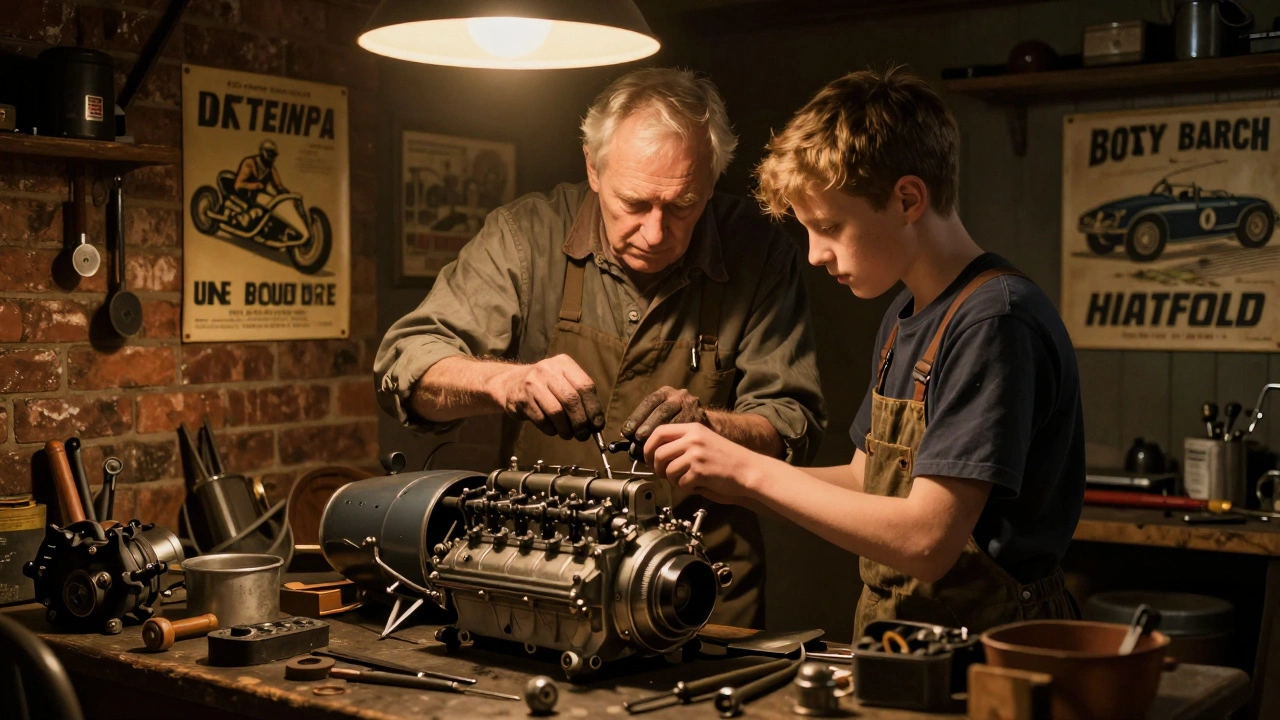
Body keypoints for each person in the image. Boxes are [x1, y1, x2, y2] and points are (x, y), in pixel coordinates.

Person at [375, 68, 826, 629]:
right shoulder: (525, 237)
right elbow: (407, 366)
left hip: (692, 593)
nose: (656, 233)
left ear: (711, 181)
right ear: (593, 167)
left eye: (682, 205)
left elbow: (792, 426)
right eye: (634, 204)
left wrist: (711, 427)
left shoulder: (760, 254)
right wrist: (506, 382)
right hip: (540, 579)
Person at [642, 67, 1084, 637]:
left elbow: (927, 542)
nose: (814, 255)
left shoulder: (994, 321)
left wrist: (747, 471)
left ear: (906, 199)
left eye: (828, 225)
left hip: (992, 655)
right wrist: (726, 476)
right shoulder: (906, 317)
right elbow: (865, 480)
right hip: (906, 643)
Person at [233, 139, 288, 225]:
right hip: (245, 197)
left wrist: (285, 193)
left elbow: (279, 186)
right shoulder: (250, 163)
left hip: (259, 198)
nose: (272, 158)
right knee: (258, 211)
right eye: (270, 154)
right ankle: (242, 217)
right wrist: (255, 186)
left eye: (273, 155)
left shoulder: (271, 168)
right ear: (263, 152)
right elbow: (238, 185)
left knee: (275, 208)